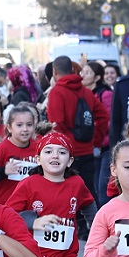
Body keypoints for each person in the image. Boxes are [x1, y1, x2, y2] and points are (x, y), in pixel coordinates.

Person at [45, 55, 109, 199]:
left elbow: (56, 123)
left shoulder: (57, 92)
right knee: (88, 195)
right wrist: (96, 141)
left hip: (66, 154)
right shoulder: (86, 92)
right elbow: (103, 116)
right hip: (87, 151)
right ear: (72, 69)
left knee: (66, 196)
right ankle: (93, 221)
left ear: (55, 71)